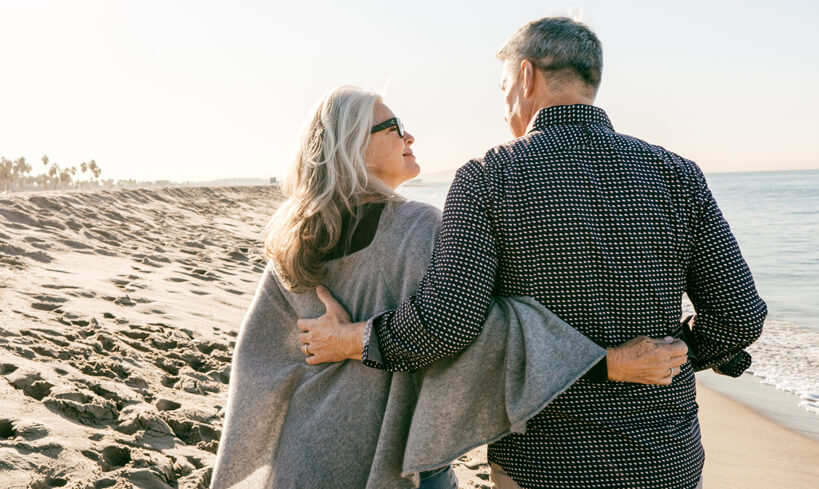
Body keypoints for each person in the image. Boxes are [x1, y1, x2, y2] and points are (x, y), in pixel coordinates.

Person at [300, 17, 766, 489]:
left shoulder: (488, 177)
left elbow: (447, 324)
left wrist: (352, 338)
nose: (506, 108)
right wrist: (677, 352)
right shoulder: (677, 173)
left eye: (504, 88)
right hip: (665, 458)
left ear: (525, 77)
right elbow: (740, 317)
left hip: (546, 460)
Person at [210, 86, 688, 489]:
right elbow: (480, 333)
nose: (409, 135)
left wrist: (337, 344)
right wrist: (606, 361)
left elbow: (258, 357)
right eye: (393, 127)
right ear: (353, 145)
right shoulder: (421, 227)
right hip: (398, 453)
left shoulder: (294, 238)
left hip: (306, 450)